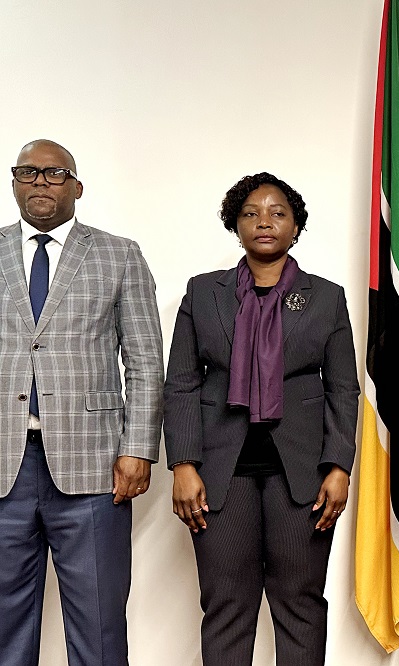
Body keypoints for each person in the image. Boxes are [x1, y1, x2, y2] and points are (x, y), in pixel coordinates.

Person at [163, 173, 360, 665]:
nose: (264, 222)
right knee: (226, 605)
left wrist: (340, 466)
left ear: (296, 226)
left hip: (304, 473)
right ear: (236, 225)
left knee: (300, 604)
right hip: (219, 472)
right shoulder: (203, 293)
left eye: (277, 213)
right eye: (251, 213)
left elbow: (343, 388)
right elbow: (181, 382)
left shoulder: (326, 297)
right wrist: (183, 465)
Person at [0, 139, 163, 665]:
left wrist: (138, 448)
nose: (39, 181)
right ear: (14, 183)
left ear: (77, 187)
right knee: (4, 626)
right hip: (4, 467)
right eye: (28, 172)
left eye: (54, 173)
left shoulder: (119, 254)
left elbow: (144, 360)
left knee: (98, 626)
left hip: (94, 468)